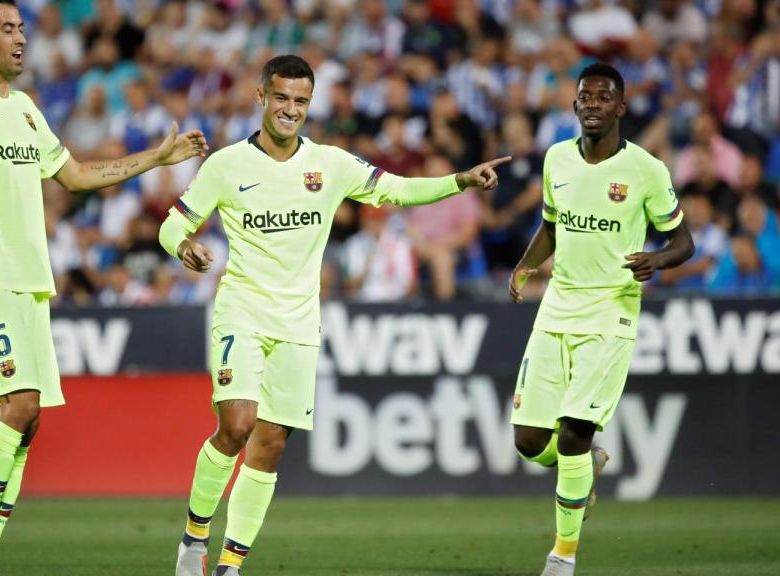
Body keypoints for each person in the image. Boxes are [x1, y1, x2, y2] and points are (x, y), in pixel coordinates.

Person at [160, 54, 510, 576]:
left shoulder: (330, 164)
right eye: (281, 98)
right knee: (236, 425)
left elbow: (395, 189)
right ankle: (193, 538)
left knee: (271, 444)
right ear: (261, 97)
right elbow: (171, 225)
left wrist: (457, 181)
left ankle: (231, 566)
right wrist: (184, 247)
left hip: (299, 323)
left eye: (301, 100)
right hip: (242, 311)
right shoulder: (226, 165)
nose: (290, 109)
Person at [0, 1, 208, 575]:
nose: (21, 37)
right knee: (18, 405)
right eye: (8, 28)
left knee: (30, 420)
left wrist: (158, 158)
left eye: (22, 27)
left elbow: (78, 174)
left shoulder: (29, 111)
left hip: (30, 283)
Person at [508, 62, 694, 576]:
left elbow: (684, 242)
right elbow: (551, 224)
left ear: (620, 107)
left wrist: (657, 259)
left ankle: (562, 557)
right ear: (575, 106)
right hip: (557, 307)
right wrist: (526, 265)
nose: (592, 103)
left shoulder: (646, 171)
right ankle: (586, 467)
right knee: (528, 442)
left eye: (603, 96)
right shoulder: (556, 160)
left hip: (610, 312)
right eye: (584, 96)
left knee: (573, 431)